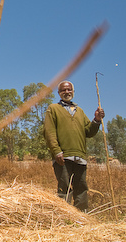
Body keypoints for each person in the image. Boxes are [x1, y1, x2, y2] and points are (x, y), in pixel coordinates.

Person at [43, 80, 104, 212]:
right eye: (63, 90)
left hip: (80, 157)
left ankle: (82, 217)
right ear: (59, 93)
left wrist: (97, 120)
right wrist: (56, 151)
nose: (67, 92)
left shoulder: (80, 111)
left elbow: (89, 132)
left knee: (81, 187)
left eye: (69, 89)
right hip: (63, 156)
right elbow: (49, 132)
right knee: (65, 187)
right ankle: (64, 216)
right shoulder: (53, 109)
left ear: (73, 92)